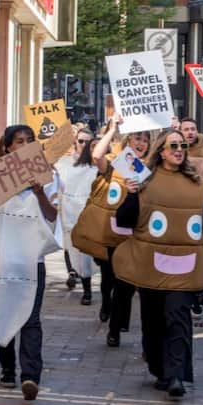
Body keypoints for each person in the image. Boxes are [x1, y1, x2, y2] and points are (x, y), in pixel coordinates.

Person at [112, 129, 203, 399]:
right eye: (172, 145)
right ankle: (159, 368)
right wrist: (130, 195)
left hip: (185, 267)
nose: (178, 149)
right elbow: (125, 221)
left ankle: (176, 375)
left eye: (182, 145)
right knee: (152, 320)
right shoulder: (144, 181)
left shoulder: (198, 186)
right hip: (149, 264)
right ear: (161, 150)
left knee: (178, 317)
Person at [0, 124, 59, 401]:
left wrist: (40, 192)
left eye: (30, 140)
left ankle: (30, 375)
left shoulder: (47, 176)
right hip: (1, 260)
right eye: (19, 141)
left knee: (30, 318)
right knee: (4, 310)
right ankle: (7, 368)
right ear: (7, 147)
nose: (26, 145)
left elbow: (53, 217)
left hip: (32, 261)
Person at [72, 115, 149, 347]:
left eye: (146, 139)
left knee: (125, 284)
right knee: (109, 278)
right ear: (128, 139)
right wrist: (113, 128)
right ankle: (108, 308)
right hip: (111, 233)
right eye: (137, 137)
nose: (141, 142)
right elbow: (96, 156)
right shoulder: (117, 161)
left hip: (136, 235)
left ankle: (116, 326)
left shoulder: (151, 168)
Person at [180, 118, 203, 315]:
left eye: (192, 128)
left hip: (202, 209)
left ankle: (199, 290)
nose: (189, 132)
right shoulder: (177, 151)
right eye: (185, 129)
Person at [56, 131, 99, 305]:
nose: (84, 145)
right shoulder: (64, 163)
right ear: (75, 142)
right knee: (70, 246)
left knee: (86, 253)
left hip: (87, 213)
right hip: (68, 211)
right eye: (81, 141)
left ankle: (87, 290)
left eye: (88, 142)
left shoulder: (96, 165)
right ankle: (72, 272)